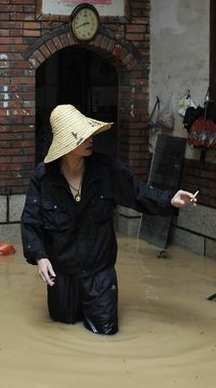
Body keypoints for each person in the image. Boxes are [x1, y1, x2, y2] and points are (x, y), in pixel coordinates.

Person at [21, 104, 198, 335]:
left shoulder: (106, 169)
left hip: (99, 273)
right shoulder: (43, 177)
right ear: (66, 143)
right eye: (83, 135)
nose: (90, 139)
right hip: (62, 275)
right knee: (62, 332)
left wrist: (170, 199)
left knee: (105, 334)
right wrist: (40, 257)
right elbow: (30, 221)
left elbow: (137, 193)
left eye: (90, 133)